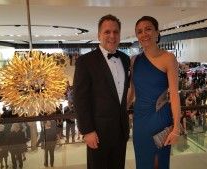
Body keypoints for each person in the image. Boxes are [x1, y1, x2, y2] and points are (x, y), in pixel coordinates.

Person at [73, 14, 130, 169]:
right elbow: (79, 99)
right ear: (99, 35)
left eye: (116, 32)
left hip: (121, 131)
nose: (112, 36)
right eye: (107, 32)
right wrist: (87, 130)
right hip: (97, 134)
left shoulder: (125, 59)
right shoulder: (85, 62)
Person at [127, 16, 181, 169]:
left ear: (157, 32)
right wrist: (121, 110)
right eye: (139, 31)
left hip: (160, 118)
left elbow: (175, 95)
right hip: (140, 120)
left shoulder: (169, 58)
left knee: (158, 162)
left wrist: (176, 127)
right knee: (143, 162)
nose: (144, 34)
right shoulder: (134, 60)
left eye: (148, 29)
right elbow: (132, 91)